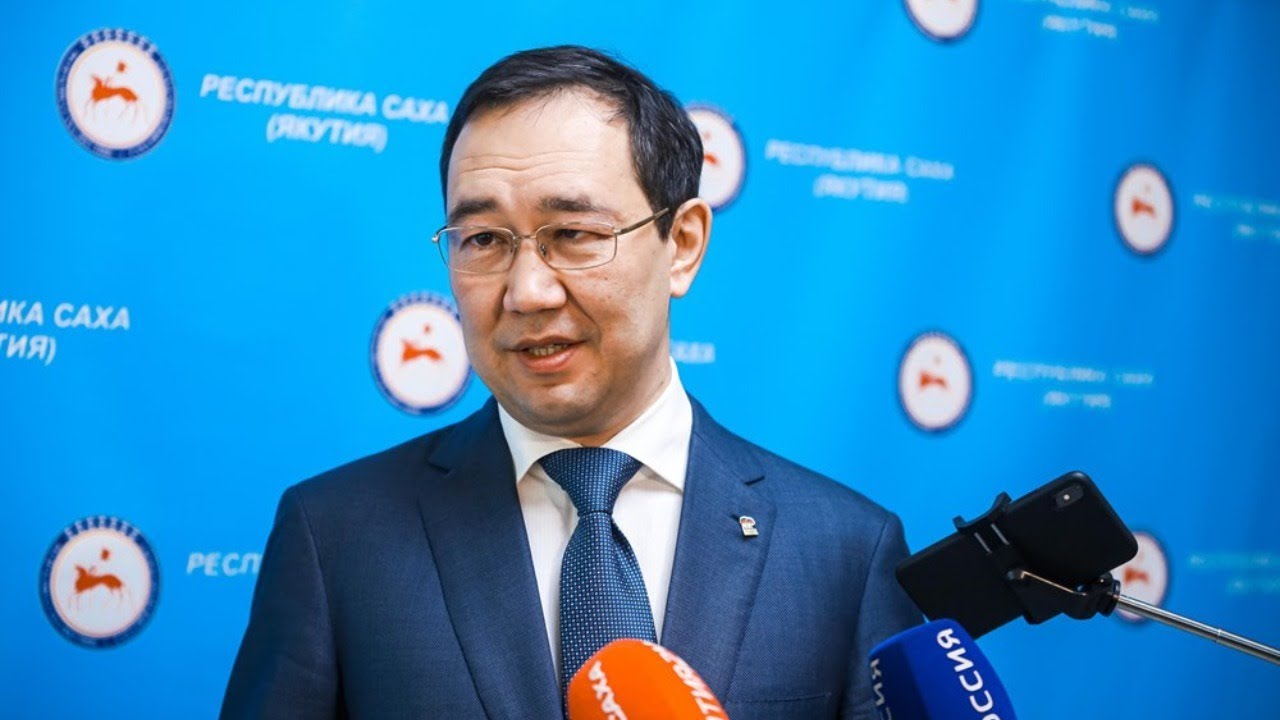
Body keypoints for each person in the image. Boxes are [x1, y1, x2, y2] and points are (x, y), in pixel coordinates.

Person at [221, 45, 920, 720]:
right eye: (483, 240)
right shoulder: (335, 537)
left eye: (574, 234)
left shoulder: (844, 551)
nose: (527, 292)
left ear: (681, 246)